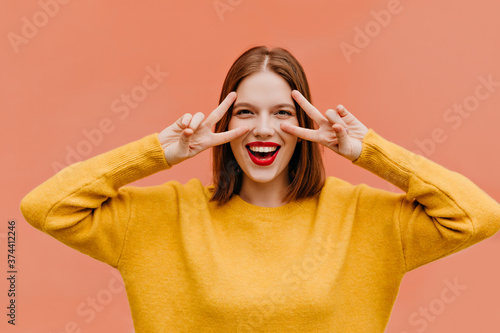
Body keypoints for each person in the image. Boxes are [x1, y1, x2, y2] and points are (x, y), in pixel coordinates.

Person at [20, 45, 500, 332]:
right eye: (246, 113)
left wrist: (369, 150)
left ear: (305, 123)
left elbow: (479, 215)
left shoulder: (364, 218)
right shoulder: (163, 216)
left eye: (283, 114)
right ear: (224, 122)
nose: (263, 130)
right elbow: (45, 208)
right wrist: (158, 152)